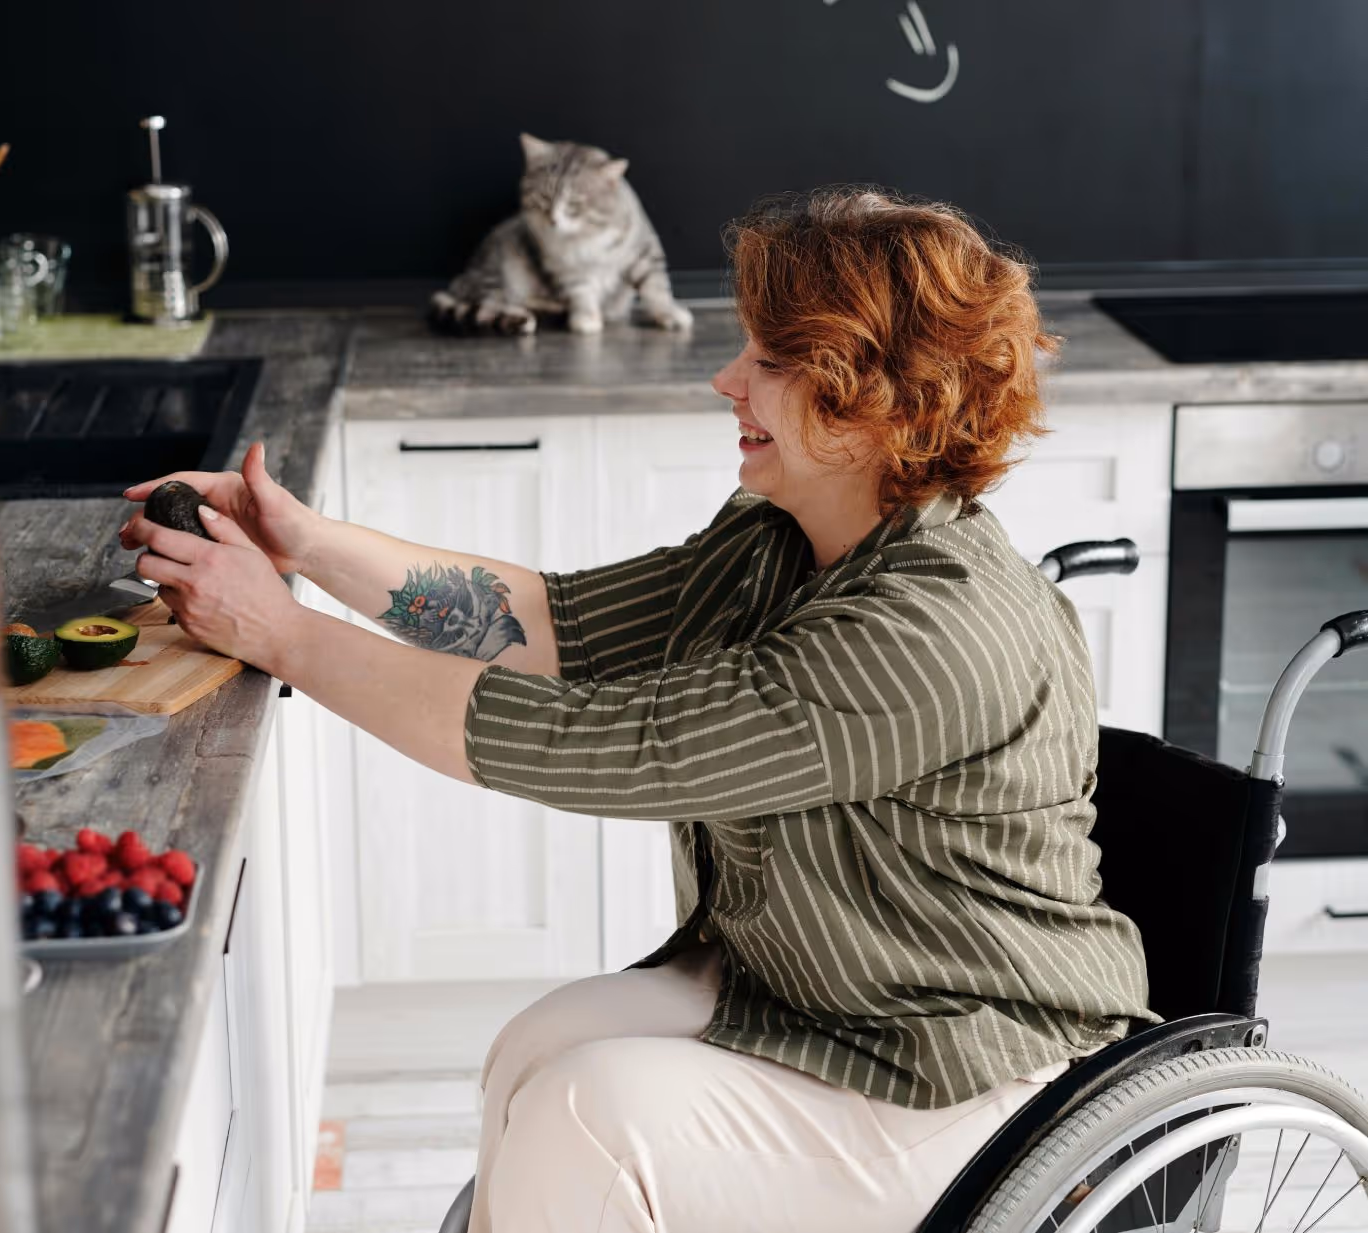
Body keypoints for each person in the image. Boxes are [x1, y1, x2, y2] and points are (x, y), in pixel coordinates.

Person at [121, 189, 1155, 1233]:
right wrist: (307, 545)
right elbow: (550, 624)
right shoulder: (779, 537)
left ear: (871, 397)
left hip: (971, 1071)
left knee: (589, 1117)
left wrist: (281, 634)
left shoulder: (925, 632)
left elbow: (588, 744)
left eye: (768, 361)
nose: (725, 381)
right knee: (540, 1046)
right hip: (832, 993)